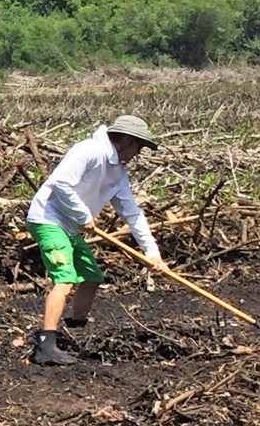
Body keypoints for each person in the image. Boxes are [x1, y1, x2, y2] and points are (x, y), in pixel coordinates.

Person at [25, 114, 169, 365]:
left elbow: (133, 214)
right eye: (138, 146)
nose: (138, 154)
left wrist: (152, 253)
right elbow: (60, 182)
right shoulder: (89, 151)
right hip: (49, 219)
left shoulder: (118, 173)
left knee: (91, 277)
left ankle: (74, 327)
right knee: (65, 277)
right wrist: (82, 214)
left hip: (69, 225)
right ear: (124, 140)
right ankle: (45, 346)